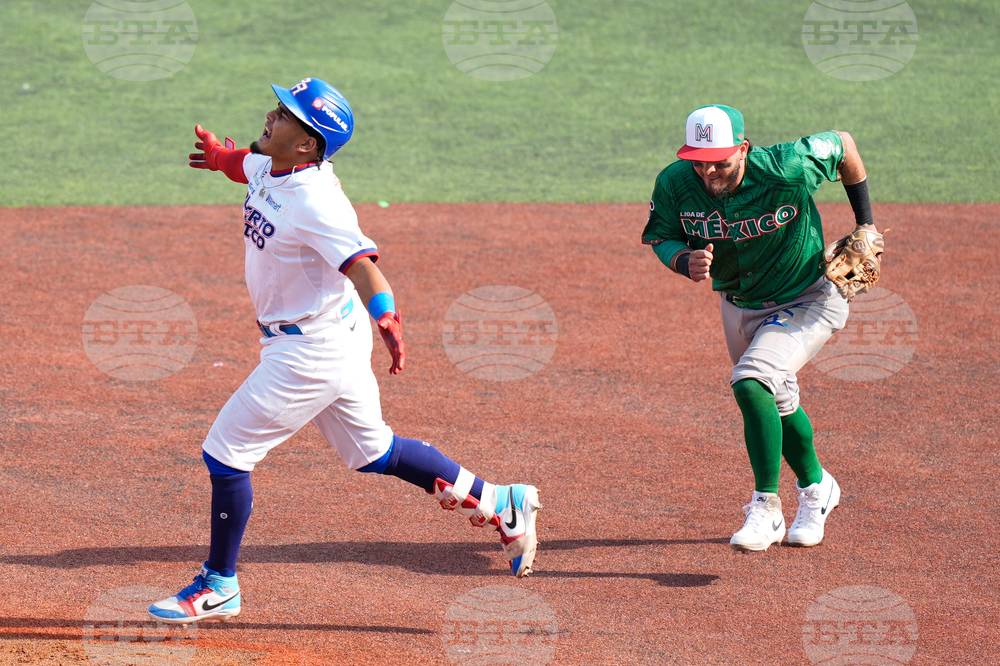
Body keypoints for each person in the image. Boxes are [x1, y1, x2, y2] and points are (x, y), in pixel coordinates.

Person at [148, 77, 541, 624]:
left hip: (312, 351)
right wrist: (219, 158)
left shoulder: (318, 202)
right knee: (374, 452)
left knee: (226, 453)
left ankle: (220, 584)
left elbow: (362, 265)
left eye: (284, 114)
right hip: (326, 334)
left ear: (308, 145)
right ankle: (501, 502)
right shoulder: (273, 163)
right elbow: (248, 166)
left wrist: (388, 315)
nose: (270, 114)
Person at [641, 104, 880, 552]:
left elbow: (844, 143)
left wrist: (865, 223)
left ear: (744, 149)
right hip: (738, 304)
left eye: (720, 160)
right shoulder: (674, 181)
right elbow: (662, 234)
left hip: (807, 297)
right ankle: (817, 489)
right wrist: (681, 259)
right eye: (698, 160)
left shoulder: (789, 165)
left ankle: (766, 508)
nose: (708, 170)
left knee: (752, 383)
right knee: (777, 400)